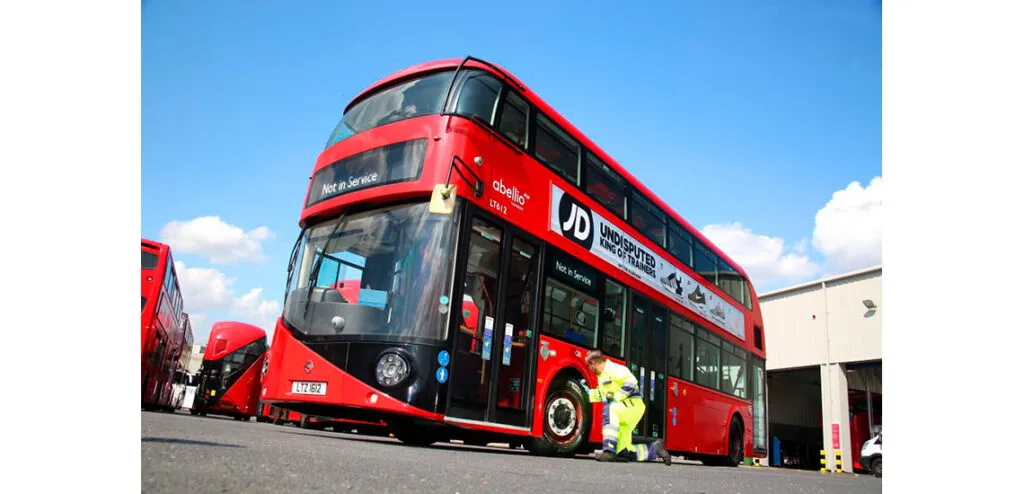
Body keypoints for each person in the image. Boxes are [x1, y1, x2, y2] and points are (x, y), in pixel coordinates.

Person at [584, 349, 672, 465]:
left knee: (610, 409)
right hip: (627, 408)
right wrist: (587, 392)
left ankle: (609, 450)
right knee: (623, 451)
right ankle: (655, 449)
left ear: (594, 363)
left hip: (632, 405)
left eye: (589, 365)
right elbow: (602, 394)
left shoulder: (614, 369)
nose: (589, 368)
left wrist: (615, 397)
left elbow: (631, 383)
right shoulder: (603, 376)